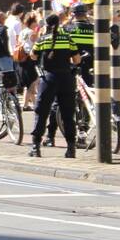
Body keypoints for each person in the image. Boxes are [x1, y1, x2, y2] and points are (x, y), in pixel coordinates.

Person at [28, 13, 80, 158]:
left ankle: (35, 146)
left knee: (41, 112)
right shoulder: (68, 39)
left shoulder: (43, 40)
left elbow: (33, 55)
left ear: (46, 25)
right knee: (68, 115)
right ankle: (71, 148)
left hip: (49, 79)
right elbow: (76, 59)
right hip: (66, 79)